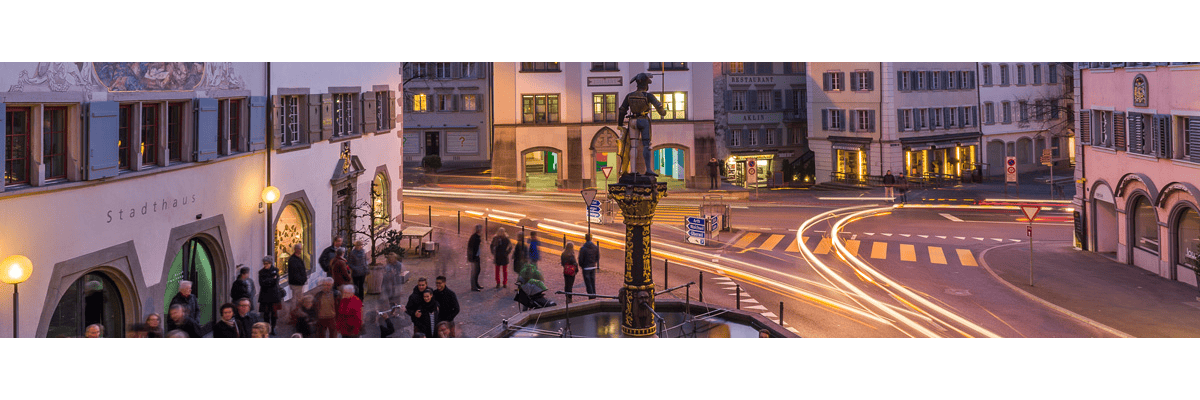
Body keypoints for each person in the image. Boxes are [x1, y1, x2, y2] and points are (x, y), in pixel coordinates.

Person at [617, 72, 667, 175]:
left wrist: (620, 123)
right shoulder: (648, 96)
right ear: (646, 84)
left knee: (633, 146)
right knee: (646, 145)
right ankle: (648, 169)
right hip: (643, 120)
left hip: (632, 121)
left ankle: (633, 171)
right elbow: (660, 109)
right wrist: (664, 111)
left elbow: (622, 110)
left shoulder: (629, 96)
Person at [258, 256, 282, 336]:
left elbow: (275, 281)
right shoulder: (261, 272)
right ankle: (267, 328)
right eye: (264, 264)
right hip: (265, 296)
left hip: (274, 295)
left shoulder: (275, 270)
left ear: (270, 263)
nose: (265, 265)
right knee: (266, 314)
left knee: (274, 314)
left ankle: (273, 327)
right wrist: (271, 280)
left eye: (267, 264)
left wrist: (268, 281)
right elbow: (262, 284)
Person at [579, 233, 600, 300]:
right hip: (593, 266)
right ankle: (594, 294)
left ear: (585, 238)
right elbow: (598, 256)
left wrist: (582, 265)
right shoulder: (595, 247)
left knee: (588, 283)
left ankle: (591, 296)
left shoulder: (583, 248)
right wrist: (594, 262)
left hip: (586, 267)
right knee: (592, 281)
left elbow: (580, 259)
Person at [286, 243, 308, 308]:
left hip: (298, 282)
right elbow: (295, 273)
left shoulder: (297, 258)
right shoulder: (293, 260)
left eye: (301, 249)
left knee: (297, 298)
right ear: (296, 249)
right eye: (299, 249)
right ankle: (296, 312)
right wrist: (301, 280)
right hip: (296, 283)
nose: (301, 251)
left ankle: (296, 312)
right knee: (297, 299)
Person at [467, 225, 484, 291]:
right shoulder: (475, 237)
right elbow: (472, 248)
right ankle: (474, 286)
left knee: (477, 270)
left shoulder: (476, 237)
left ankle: (476, 284)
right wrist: (472, 257)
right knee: (474, 272)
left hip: (476, 256)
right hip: (474, 257)